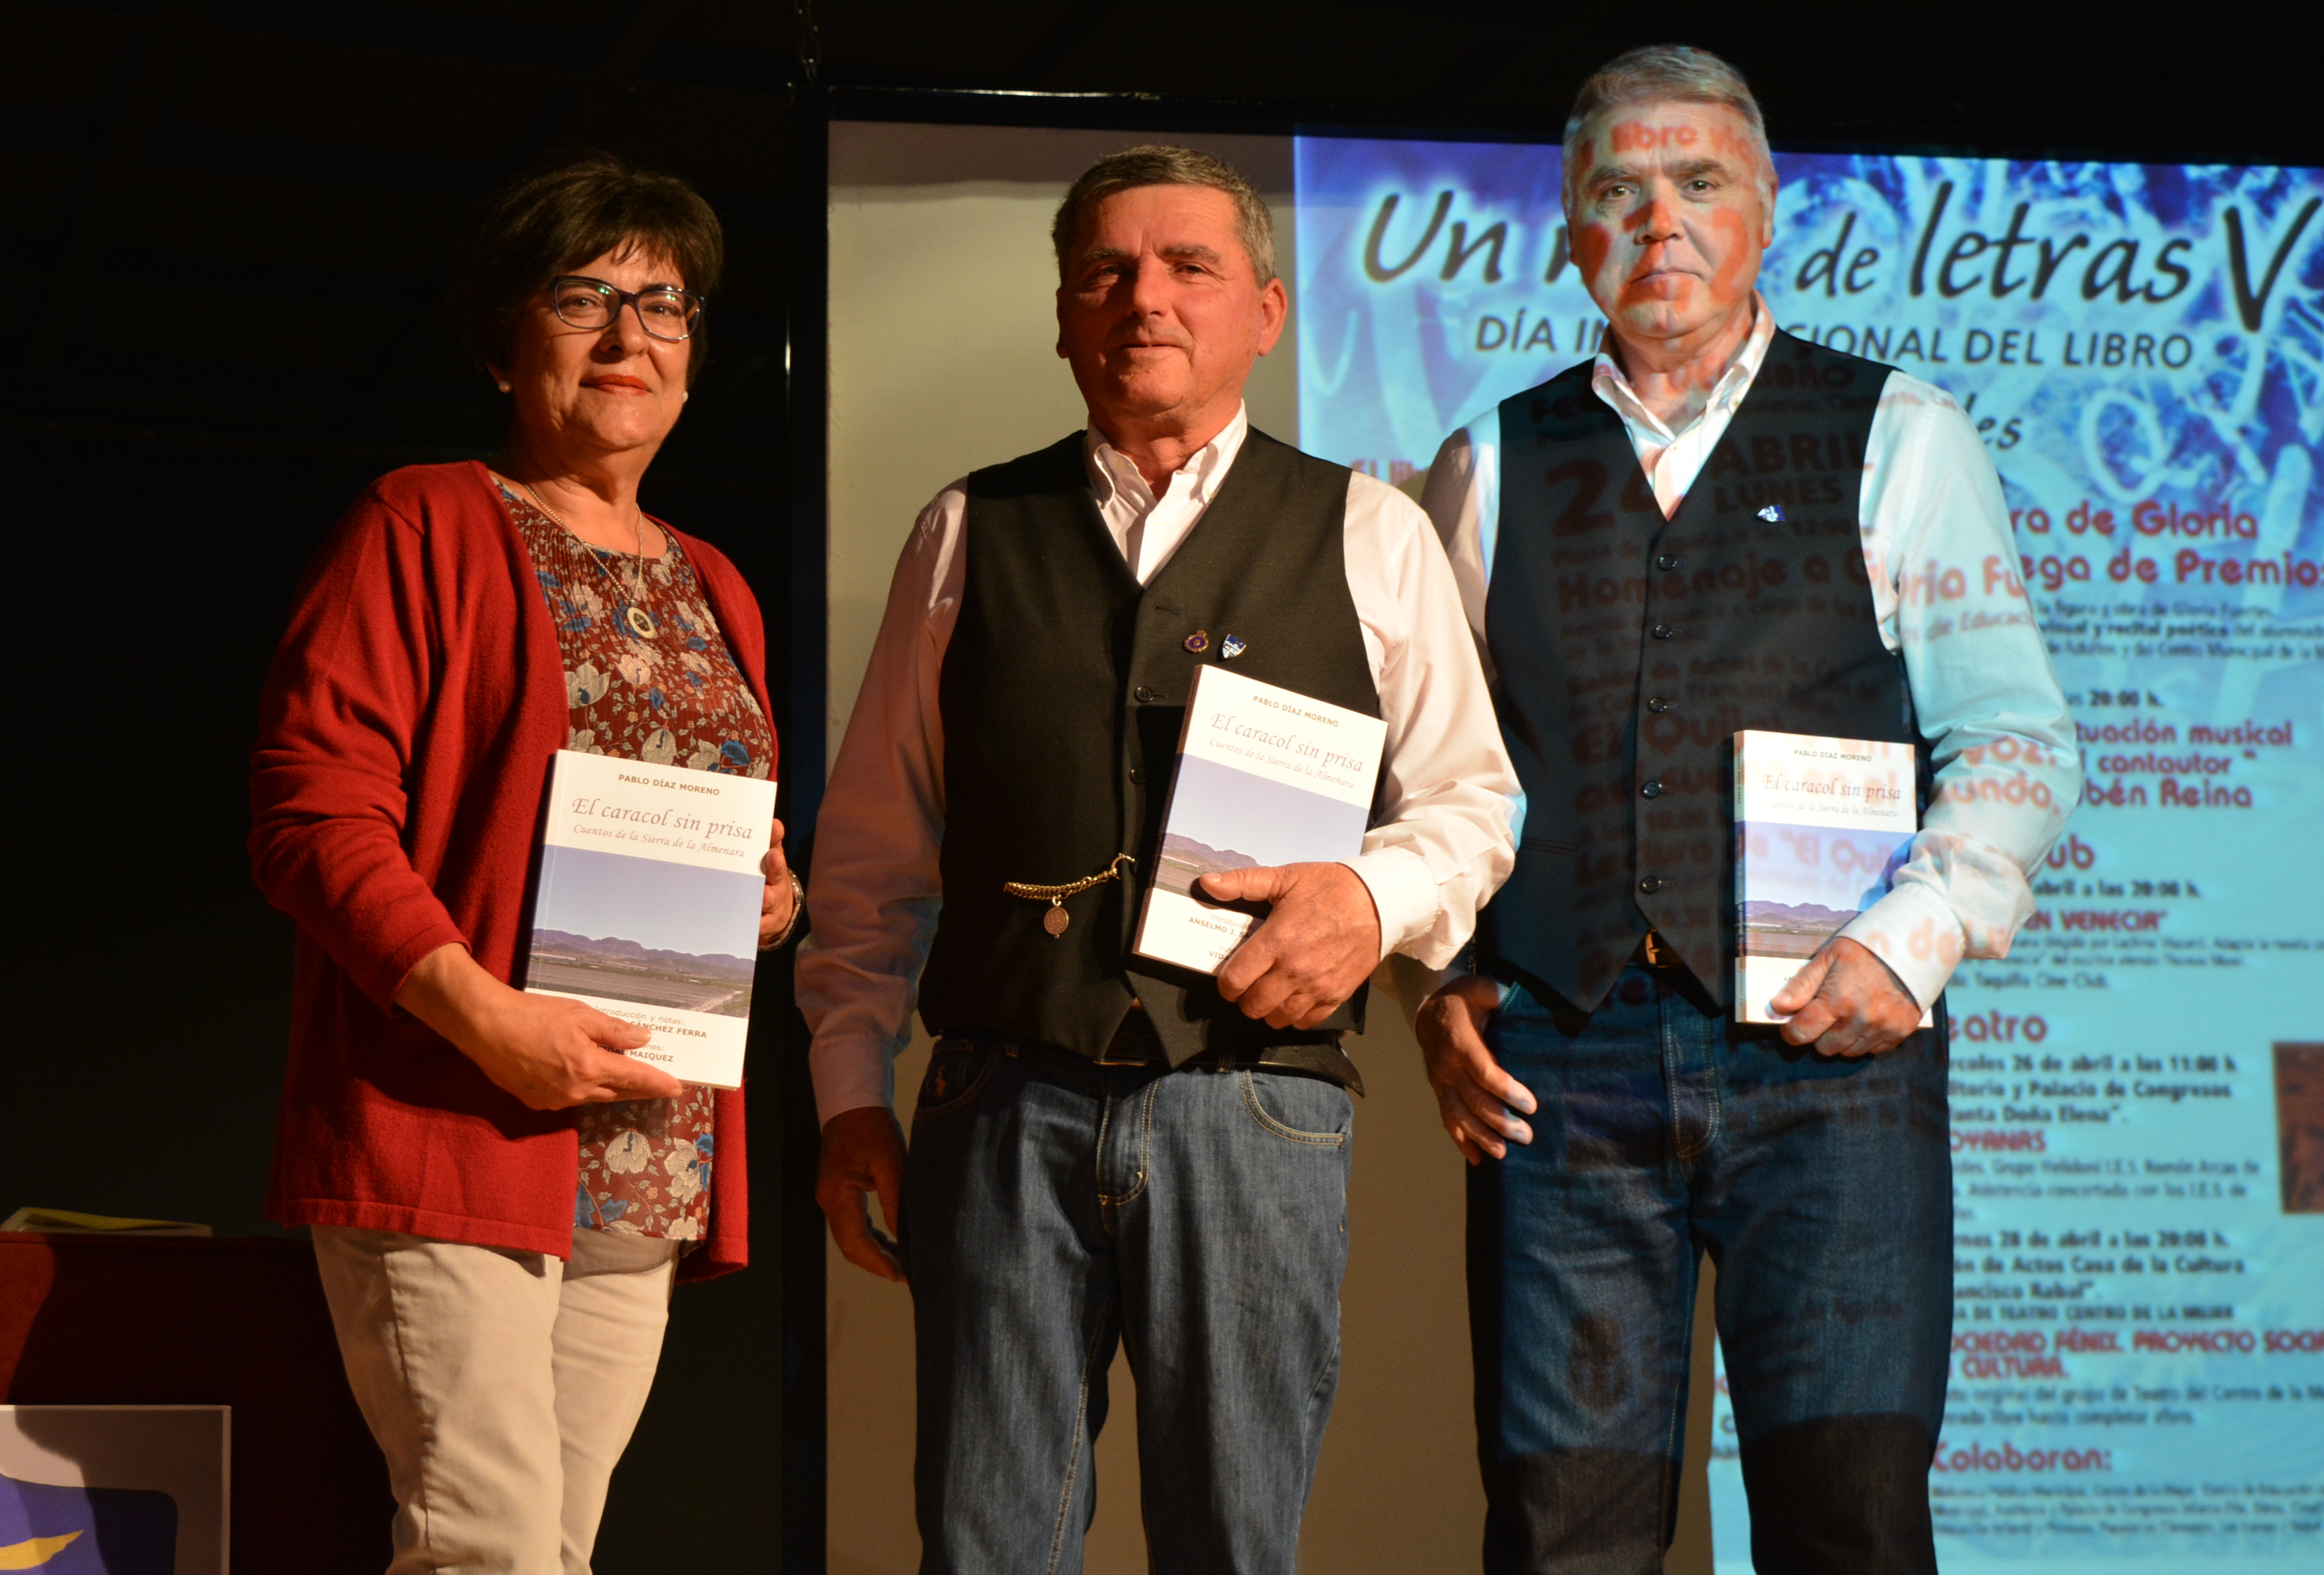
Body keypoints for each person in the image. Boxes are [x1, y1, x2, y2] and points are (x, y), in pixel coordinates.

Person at [798, 146, 1519, 1572]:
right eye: (1107, 272)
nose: (1147, 298)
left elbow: (1471, 806)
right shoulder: (965, 529)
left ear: (1266, 308)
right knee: (986, 1548)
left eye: (1189, 266)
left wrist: (1371, 903)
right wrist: (843, 1096)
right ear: (1063, 316)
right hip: (1003, 1099)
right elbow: (875, 855)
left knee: (1235, 1547)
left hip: (1253, 1107)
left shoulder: (1371, 533)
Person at [1410, 46, 2081, 1575]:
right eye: (1618, 190)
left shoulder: (1899, 433)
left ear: (1765, 211)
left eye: (1699, 183)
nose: (1661, 221)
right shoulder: (1487, 461)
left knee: (1845, 1520)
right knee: (1555, 1532)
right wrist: (1434, 977)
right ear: (1570, 228)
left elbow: (2012, 740)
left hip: (1830, 1075)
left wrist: (1910, 941)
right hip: (1559, 1070)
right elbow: (1435, 773)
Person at [249, 153, 795, 1575]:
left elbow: (710, 818)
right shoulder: (422, 521)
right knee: (483, 1547)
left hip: (644, 1144)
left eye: (664, 305)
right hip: (455, 1113)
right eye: (586, 299)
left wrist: (766, 889)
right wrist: (485, 1019)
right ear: (506, 344)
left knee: (552, 1551)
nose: (631, 340)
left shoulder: (713, 580)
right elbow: (313, 814)